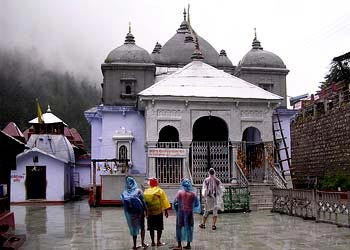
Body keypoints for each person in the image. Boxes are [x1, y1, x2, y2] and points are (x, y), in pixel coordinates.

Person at [120, 176, 149, 249]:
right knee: (142, 227)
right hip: (140, 212)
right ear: (134, 182)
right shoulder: (138, 191)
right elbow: (143, 202)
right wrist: (146, 210)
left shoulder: (124, 193)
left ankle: (135, 245)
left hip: (132, 213)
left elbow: (124, 204)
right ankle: (142, 243)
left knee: (134, 228)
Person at [172, 178, 201, 250]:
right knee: (189, 228)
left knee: (179, 228)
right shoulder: (193, 194)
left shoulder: (180, 193)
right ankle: (188, 244)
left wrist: (177, 208)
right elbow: (197, 204)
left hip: (181, 213)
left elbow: (175, 203)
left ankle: (179, 245)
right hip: (189, 213)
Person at [144, 177, 170, 247]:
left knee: (151, 228)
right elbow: (164, 201)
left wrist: (146, 212)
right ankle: (158, 241)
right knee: (159, 227)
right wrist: (166, 211)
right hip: (158, 212)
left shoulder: (146, 191)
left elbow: (145, 203)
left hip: (150, 213)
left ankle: (152, 242)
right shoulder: (160, 191)